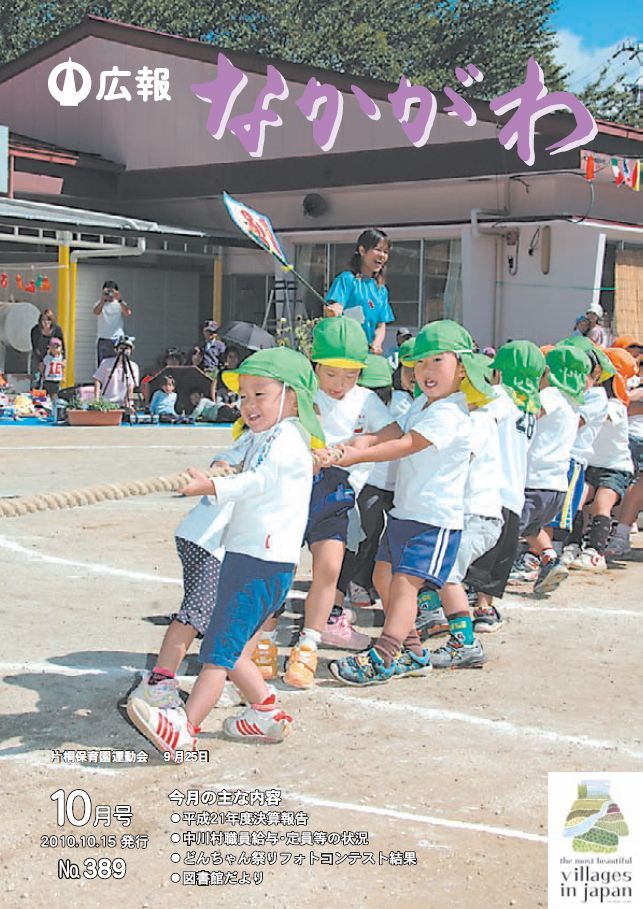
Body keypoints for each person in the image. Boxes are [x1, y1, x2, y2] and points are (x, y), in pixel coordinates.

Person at [126, 347, 322, 756]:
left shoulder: (287, 440)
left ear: (290, 397)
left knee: (217, 651)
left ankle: (186, 726)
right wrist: (220, 465)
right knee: (229, 647)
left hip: (261, 563)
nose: (248, 404)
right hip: (249, 558)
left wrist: (211, 487)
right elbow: (237, 457)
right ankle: (266, 711)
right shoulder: (264, 435)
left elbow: (256, 482)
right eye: (244, 395)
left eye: (259, 394)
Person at [327, 321, 495, 685]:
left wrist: (358, 457)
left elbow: (407, 445)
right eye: (419, 363)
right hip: (406, 513)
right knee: (381, 575)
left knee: (404, 586)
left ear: (462, 367)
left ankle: (384, 656)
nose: (426, 371)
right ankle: (414, 651)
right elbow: (396, 431)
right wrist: (362, 442)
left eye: (437, 360)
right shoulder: (424, 403)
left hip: (434, 520)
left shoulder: (450, 411)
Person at [283, 318, 391, 690]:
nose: (340, 384)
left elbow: (392, 432)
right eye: (332, 373)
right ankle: (259, 642)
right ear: (315, 364)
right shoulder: (303, 391)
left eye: (350, 375)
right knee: (278, 568)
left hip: (340, 494)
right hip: (295, 490)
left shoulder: (366, 399)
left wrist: (360, 445)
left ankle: (308, 645)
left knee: (329, 568)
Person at [463, 341, 546, 633]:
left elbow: (476, 429)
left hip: (485, 489)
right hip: (513, 492)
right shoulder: (531, 405)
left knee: (473, 553)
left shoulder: (496, 397)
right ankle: (484, 608)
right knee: (500, 555)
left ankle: (455, 605)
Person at [509, 345, 591, 593]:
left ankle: (492, 575)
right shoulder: (574, 401)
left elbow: (528, 417)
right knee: (533, 528)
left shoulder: (551, 395)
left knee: (507, 531)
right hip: (556, 484)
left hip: (534, 479)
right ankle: (550, 559)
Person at [568, 348, 636, 571]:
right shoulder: (588, 399)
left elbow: (601, 416)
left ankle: (596, 551)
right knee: (576, 500)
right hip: (590, 464)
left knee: (601, 503)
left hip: (615, 468)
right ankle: (572, 545)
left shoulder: (615, 406)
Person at [324, 228, 395, 354]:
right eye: (378, 250)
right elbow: (335, 306)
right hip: (343, 352)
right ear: (362, 250)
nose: (382, 256)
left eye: (385, 252)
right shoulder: (347, 280)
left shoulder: (381, 289)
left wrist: (377, 343)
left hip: (366, 354)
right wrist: (334, 310)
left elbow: (381, 324)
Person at [93, 281, 132, 365]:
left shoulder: (120, 304)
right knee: (102, 365)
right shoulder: (100, 303)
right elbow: (96, 312)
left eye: (112, 292)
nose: (110, 295)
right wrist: (103, 299)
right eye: (108, 292)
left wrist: (119, 299)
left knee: (118, 363)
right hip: (103, 338)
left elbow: (127, 313)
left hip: (117, 338)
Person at [93, 337, 140, 407]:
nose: (124, 351)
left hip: (124, 403)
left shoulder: (133, 366)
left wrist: (127, 403)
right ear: (116, 350)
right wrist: (96, 401)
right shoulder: (106, 363)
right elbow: (97, 381)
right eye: (121, 348)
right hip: (107, 402)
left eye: (127, 348)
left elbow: (131, 386)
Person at [30, 309, 65, 384]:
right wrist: (41, 362)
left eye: (49, 320)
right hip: (38, 356)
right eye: (44, 320)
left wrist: (63, 359)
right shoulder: (35, 330)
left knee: (52, 379)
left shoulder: (57, 329)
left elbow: (62, 346)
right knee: (36, 378)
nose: (46, 322)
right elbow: (35, 347)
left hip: (52, 357)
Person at [41, 337, 65, 404]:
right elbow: (43, 366)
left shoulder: (61, 357)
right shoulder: (47, 357)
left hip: (56, 379)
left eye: (57, 347)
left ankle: (54, 406)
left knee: (54, 394)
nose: (55, 349)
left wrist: (63, 376)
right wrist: (43, 374)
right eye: (53, 347)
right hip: (48, 378)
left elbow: (62, 367)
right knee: (45, 393)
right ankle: (44, 406)